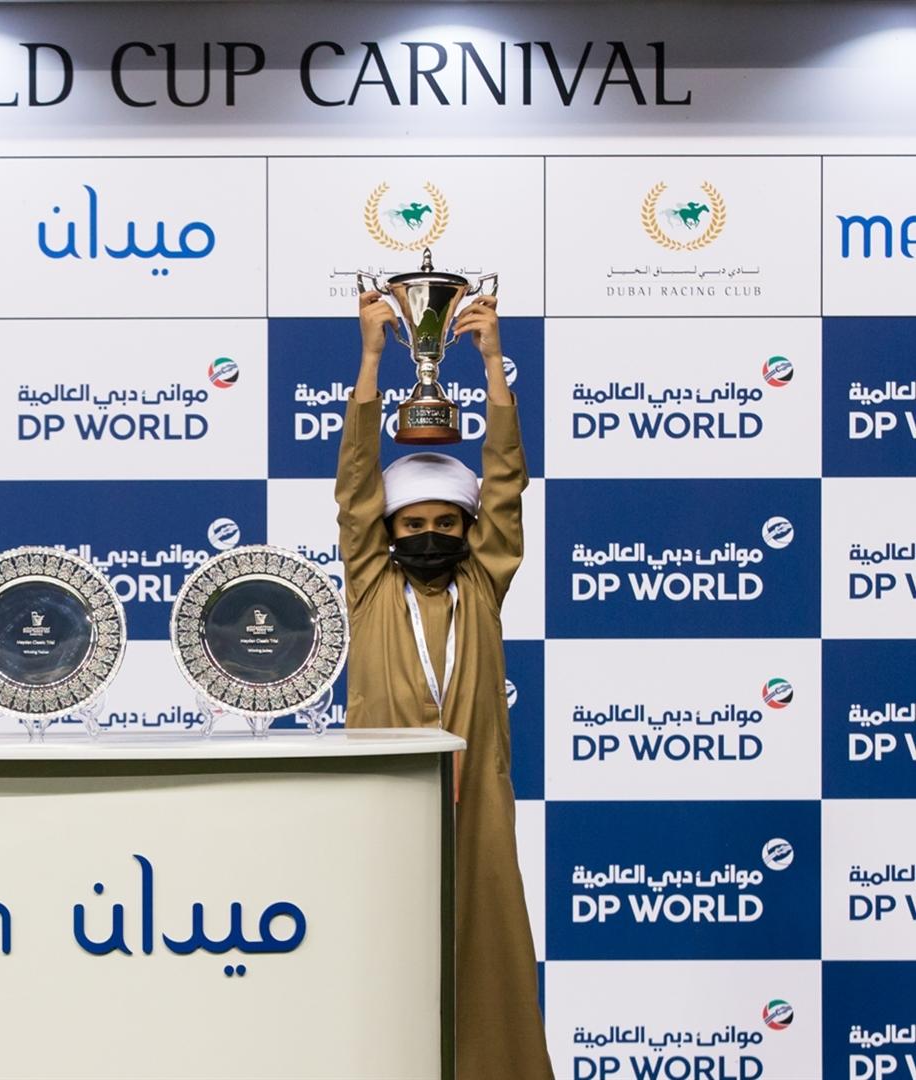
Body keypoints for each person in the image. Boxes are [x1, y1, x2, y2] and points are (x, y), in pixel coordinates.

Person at [337, 289, 552, 1078]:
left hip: (479, 807)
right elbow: (357, 486)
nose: (430, 536)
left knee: (489, 959)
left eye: (446, 525)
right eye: (412, 526)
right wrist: (369, 363)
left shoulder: (485, 582)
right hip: (385, 799)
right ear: (387, 535)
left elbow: (505, 485)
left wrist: (494, 366)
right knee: (379, 962)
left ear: (468, 533)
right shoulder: (367, 584)